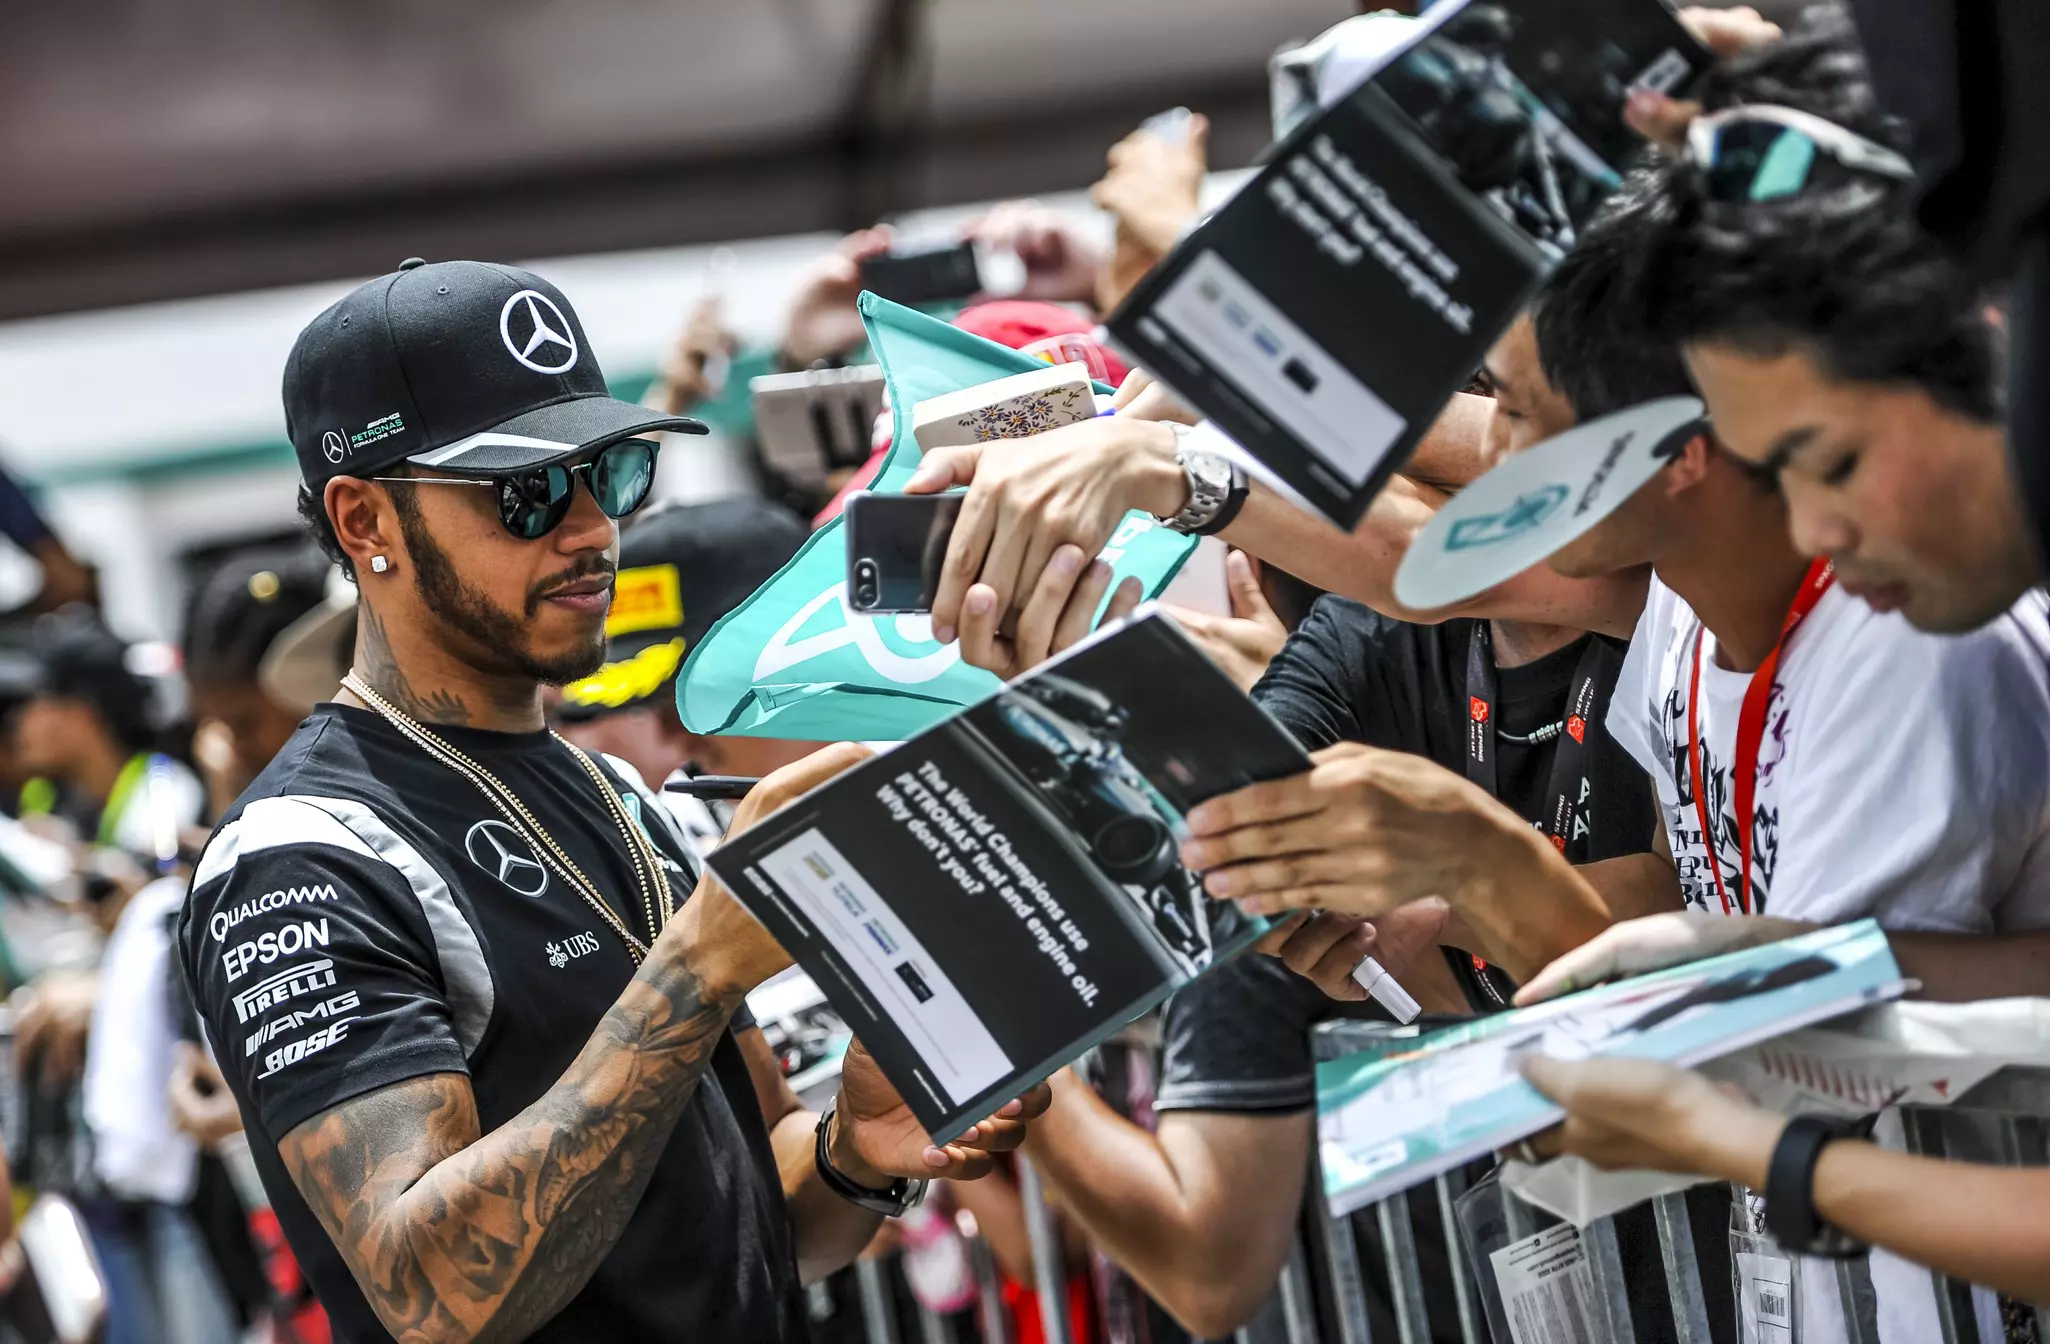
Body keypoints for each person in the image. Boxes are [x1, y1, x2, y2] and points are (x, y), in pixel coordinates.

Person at [178, 257, 1047, 1344]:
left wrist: (857, 1151)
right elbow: (430, 1292)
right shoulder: (300, 857)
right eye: (527, 493)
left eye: (612, 475)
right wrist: (695, 969)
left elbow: (758, 1227)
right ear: (365, 522)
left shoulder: (619, 798)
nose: (592, 528)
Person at [552, 496, 822, 853]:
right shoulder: (669, 833)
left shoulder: (917, 754)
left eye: (698, 696)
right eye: (660, 702)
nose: (676, 737)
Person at [11, 607, 203, 863]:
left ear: (83, 711)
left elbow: (166, 877)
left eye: (34, 702)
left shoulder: (163, 790)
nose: (19, 720)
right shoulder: (46, 798)